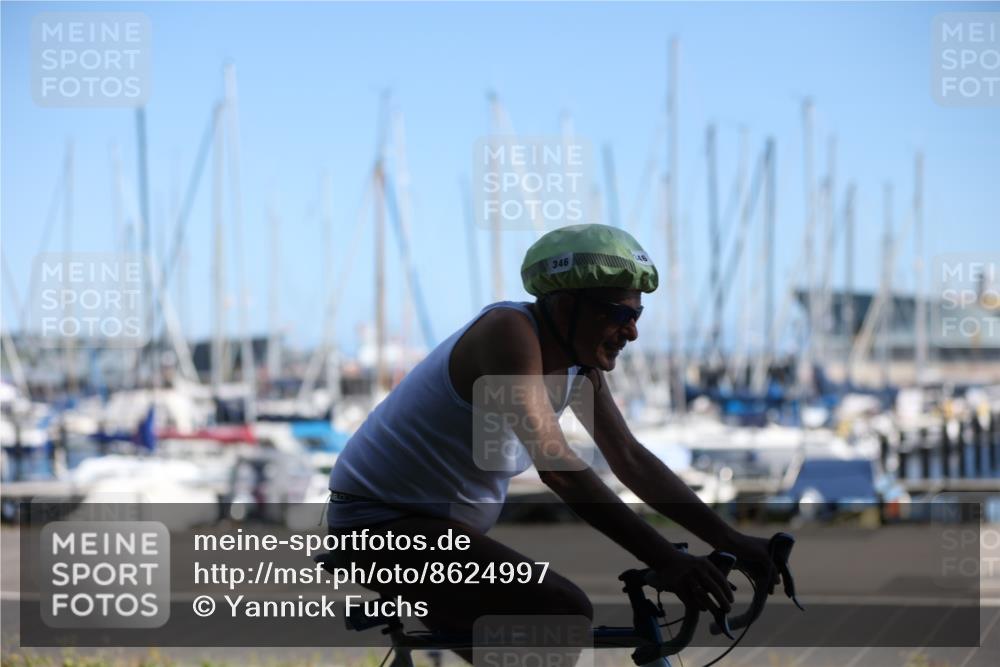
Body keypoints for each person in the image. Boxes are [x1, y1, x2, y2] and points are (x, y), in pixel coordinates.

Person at [325, 223, 777, 658]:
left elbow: (629, 459)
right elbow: (558, 468)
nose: (632, 331)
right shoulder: (508, 333)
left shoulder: (579, 366)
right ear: (565, 307)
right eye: (620, 314)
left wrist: (731, 539)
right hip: (379, 524)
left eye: (637, 315)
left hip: (436, 530)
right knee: (563, 610)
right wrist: (666, 560)